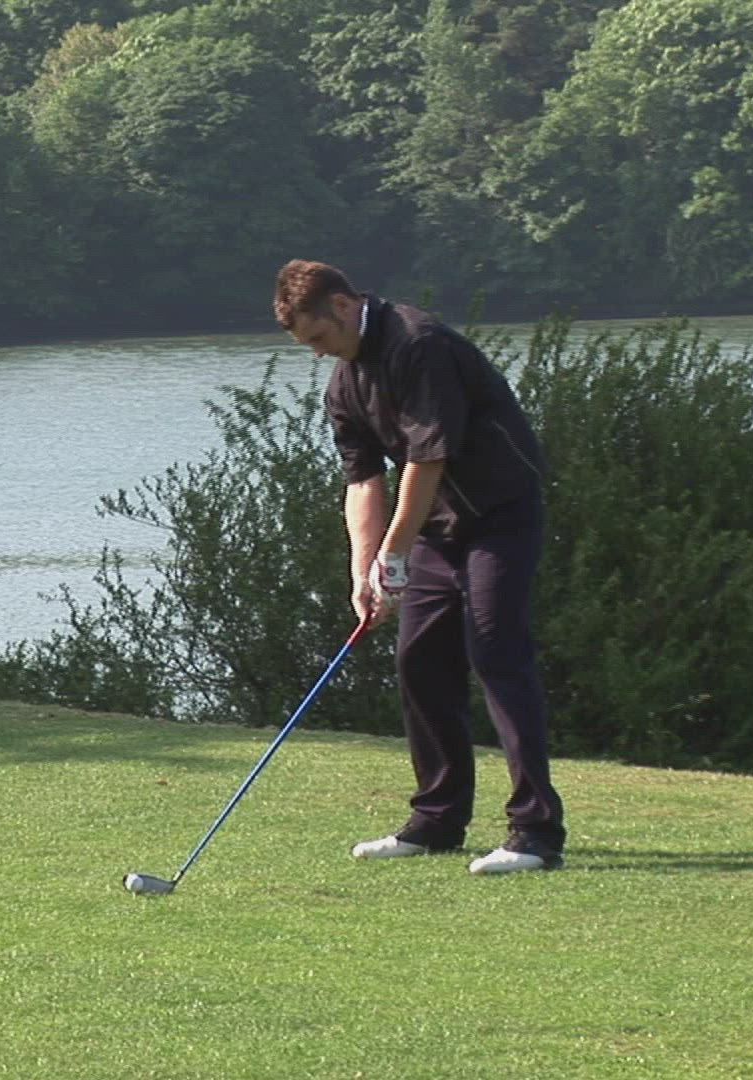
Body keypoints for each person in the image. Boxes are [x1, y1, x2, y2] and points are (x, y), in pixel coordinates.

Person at [272, 259, 566, 875]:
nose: (320, 353)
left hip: (499, 517)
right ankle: (437, 821)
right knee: (420, 661)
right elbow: (363, 482)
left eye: (320, 337)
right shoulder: (345, 383)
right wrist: (365, 572)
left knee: (496, 654)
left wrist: (395, 555)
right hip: (435, 530)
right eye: (308, 346)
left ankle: (535, 833)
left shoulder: (419, 343)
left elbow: (426, 462)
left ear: (344, 305)